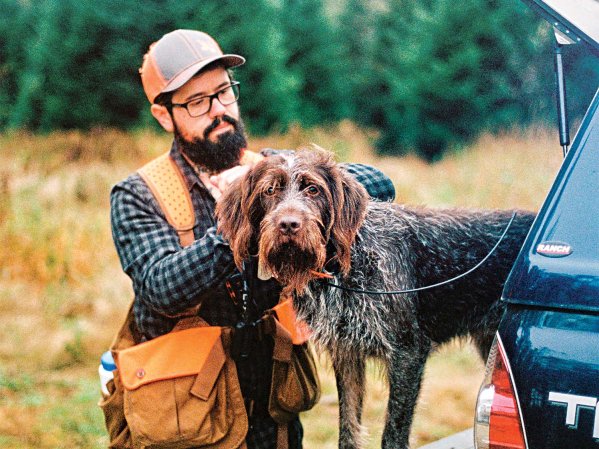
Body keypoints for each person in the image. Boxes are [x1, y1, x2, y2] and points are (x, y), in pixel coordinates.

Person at [110, 29, 395, 449]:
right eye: (196, 102)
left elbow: (380, 183)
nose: (218, 111)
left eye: (224, 93)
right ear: (163, 116)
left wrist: (267, 189)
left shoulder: (270, 172)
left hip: (272, 412)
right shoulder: (138, 194)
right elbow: (161, 288)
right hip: (185, 421)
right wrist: (239, 217)